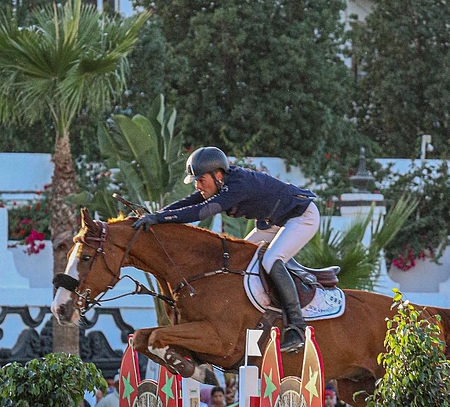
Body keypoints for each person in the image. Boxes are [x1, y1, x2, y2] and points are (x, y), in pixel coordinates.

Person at [132, 147, 320, 355]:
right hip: (273, 224)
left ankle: (297, 328)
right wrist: (156, 215)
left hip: (301, 217)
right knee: (240, 261)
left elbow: (202, 211)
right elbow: (190, 202)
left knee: (270, 259)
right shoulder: (222, 185)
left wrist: (159, 219)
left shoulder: (238, 186)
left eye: (201, 180)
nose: (197, 185)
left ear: (218, 175)